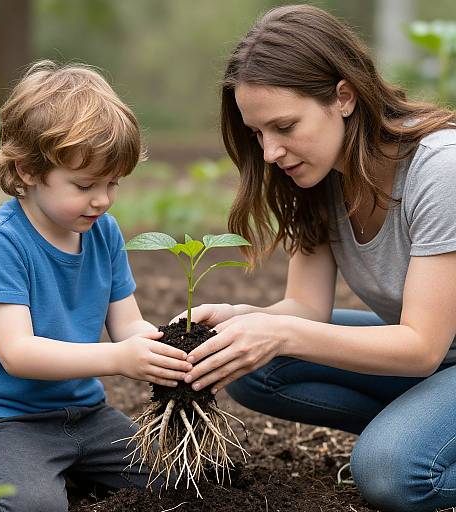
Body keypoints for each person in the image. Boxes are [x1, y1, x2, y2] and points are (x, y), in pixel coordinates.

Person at [173, 5, 456, 512]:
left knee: (392, 475)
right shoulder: (322, 176)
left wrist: (278, 332)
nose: (270, 153)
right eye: (258, 133)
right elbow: (305, 309)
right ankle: (423, 427)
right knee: (247, 362)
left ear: (343, 97)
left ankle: (413, 443)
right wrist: (243, 321)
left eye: (284, 126)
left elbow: (421, 347)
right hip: (442, 361)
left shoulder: (441, 169)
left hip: (432, 351)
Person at [0, 60, 192, 511]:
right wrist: (120, 359)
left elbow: (128, 324)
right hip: (5, 420)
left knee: (179, 481)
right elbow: (17, 353)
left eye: (112, 183)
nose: (102, 199)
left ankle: (65, 471)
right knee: (34, 508)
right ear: (26, 171)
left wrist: (165, 348)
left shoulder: (104, 232)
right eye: (84, 184)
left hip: (86, 415)